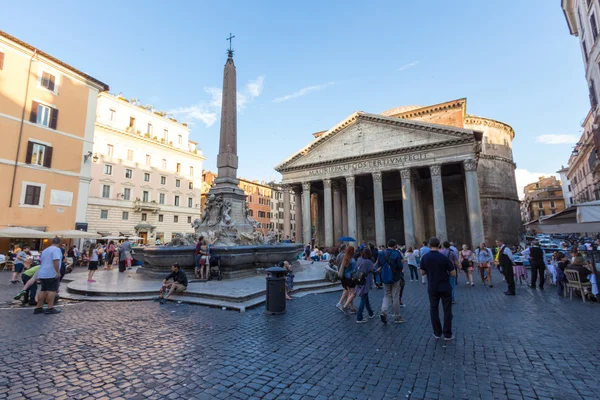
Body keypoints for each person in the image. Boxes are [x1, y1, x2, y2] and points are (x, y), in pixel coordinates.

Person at [420, 237, 456, 340]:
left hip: (432, 287)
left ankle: (437, 332)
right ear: (439, 245)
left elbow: (422, 272)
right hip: (444, 287)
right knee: (447, 310)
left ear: (429, 245)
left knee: (434, 309)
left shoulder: (425, 257)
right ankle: (447, 334)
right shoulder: (444, 257)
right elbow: (453, 273)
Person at [377, 239, 405, 324]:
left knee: (387, 295)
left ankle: (383, 312)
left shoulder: (381, 253)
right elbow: (400, 266)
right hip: (395, 277)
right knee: (395, 296)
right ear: (395, 246)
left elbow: (379, 264)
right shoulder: (396, 253)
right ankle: (397, 316)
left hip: (385, 277)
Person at [34, 237, 63, 314]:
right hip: (51, 273)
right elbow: (56, 260)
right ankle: (50, 308)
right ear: (59, 243)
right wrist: (57, 272)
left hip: (43, 272)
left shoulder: (45, 250)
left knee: (43, 290)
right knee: (52, 290)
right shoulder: (56, 250)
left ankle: (38, 307)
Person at [355, 248, 376, 323]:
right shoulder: (368, 262)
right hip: (366, 282)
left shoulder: (359, 260)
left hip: (359, 281)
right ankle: (359, 317)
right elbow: (374, 270)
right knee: (363, 299)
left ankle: (371, 313)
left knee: (365, 298)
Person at [339, 246, 357, 315]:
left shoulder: (345, 258)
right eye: (354, 250)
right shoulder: (352, 260)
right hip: (351, 278)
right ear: (352, 252)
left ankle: (352, 308)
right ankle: (345, 306)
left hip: (346, 277)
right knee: (353, 294)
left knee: (350, 292)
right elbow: (355, 270)